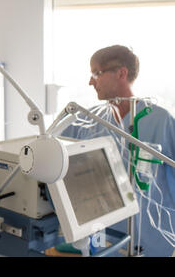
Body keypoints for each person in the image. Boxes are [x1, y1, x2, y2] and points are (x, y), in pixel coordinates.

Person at [59, 45, 175, 257]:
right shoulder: (87, 119)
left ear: (121, 73)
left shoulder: (160, 120)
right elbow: (54, 155)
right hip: (101, 234)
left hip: (152, 237)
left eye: (96, 73)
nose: (90, 81)